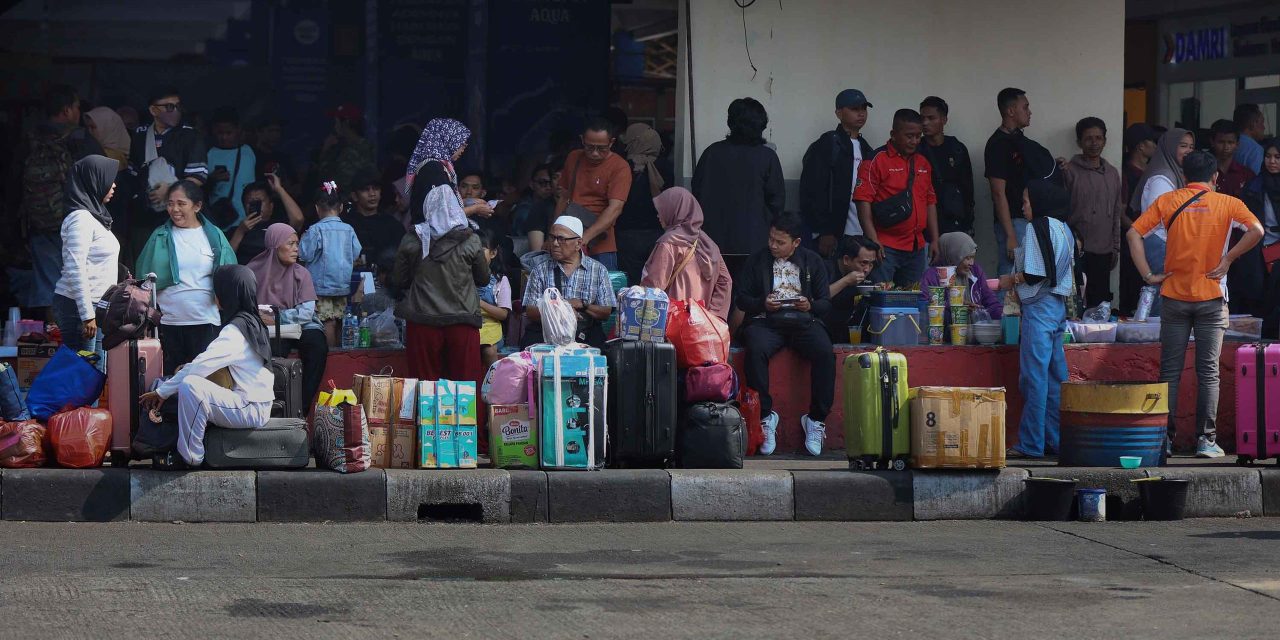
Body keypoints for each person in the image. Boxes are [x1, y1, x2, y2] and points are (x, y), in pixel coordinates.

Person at [1127, 151, 1264, 458]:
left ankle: (1164, 441)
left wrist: (1149, 275)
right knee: (1208, 372)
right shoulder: (1229, 203)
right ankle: (1206, 440)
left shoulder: (1169, 201)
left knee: (1170, 372)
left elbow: (1133, 232)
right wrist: (1228, 259)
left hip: (1174, 296)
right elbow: (1257, 231)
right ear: (1215, 176)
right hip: (1212, 298)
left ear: (1183, 176)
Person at [138, 265, 275, 468]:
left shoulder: (235, 331)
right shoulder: (252, 320)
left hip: (250, 407)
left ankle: (191, 457)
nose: (214, 295)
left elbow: (199, 367)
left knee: (191, 386)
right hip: (254, 404)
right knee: (187, 379)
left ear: (227, 294)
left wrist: (162, 392)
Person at [394, 118, 490, 382]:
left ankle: (426, 426)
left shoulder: (413, 242)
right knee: (464, 388)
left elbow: (398, 280)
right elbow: (483, 278)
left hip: (422, 318)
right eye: (461, 144)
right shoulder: (471, 241)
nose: (462, 149)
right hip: (461, 318)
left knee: (425, 387)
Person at [736, 212, 834, 457]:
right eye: (771, 239)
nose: (773, 245)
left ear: (796, 242)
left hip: (803, 322)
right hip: (767, 321)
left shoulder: (812, 261)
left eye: (780, 242)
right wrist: (762, 303)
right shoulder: (758, 260)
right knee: (755, 348)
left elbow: (825, 302)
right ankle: (766, 417)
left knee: (825, 353)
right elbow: (741, 299)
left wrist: (809, 304)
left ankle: (815, 419)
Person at [998, 182, 1076, 459]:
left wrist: (1010, 280)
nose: (1023, 207)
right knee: (1056, 379)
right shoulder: (1064, 228)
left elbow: (1034, 274)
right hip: (1058, 307)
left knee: (1033, 378)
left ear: (1040, 203)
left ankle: (1031, 443)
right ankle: (1056, 441)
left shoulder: (1036, 227)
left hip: (1039, 307)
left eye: (1027, 201)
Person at [13, 84, 103, 318]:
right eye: (76, 107)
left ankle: (51, 338)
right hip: (76, 221)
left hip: (40, 223)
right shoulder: (81, 139)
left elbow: (13, 181)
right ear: (66, 110)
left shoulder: (30, 139)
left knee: (48, 284)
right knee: (83, 281)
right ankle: (79, 343)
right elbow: (100, 180)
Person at [135, 180, 238, 374]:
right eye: (170, 203)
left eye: (181, 204)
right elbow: (143, 279)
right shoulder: (160, 235)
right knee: (169, 383)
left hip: (205, 321)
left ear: (197, 206)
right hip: (168, 323)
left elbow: (230, 273)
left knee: (203, 382)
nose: (174, 209)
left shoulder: (214, 235)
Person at [692, 97, 786, 266]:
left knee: (716, 291)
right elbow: (777, 202)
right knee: (749, 291)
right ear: (761, 125)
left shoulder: (711, 153)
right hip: (754, 241)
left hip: (712, 242)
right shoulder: (767, 157)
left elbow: (696, 194)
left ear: (730, 123)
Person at [854, 109, 939, 286]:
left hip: (917, 247)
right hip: (885, 247)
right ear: (893, 134)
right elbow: (863, 202)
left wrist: (935, 239)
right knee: (881, 302)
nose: (914, 141)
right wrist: (874, 241)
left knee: (914, 303)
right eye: (909, 136)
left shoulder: (923, 163)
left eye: (918, 136)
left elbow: (930, 202)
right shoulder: (875, 160)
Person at [249, 224, 328, 410]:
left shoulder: (302, 273)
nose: (296, 249)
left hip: (303, 325)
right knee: (274, 349)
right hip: (271, 330)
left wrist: (275, 316)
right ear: (275, 246)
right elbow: (250, 309)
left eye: (297, 244)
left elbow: (306, 313)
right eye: (290, 244)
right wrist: (271, 318)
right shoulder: (252, 272)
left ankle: (302, 406)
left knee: (317, 345)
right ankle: (274, 406)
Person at [52, 155, 121, 358]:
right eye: (109, 179)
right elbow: (75, 267)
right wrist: (87, 315)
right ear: (94, 180)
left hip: (96, 306)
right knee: (82, 374)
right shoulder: (80, 219)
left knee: (94, 375)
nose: (114, 185)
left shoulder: (95, 217)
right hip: (80, 306)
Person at [127, 87, 207, 260]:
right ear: (153, 110)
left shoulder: (190, 135)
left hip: (177, 217)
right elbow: (132, 175)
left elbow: (198, 177)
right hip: (144, 218)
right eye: (170, 107)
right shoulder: (140, 136)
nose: (176, 111)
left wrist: (169, 190)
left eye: (178, 106)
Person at [800, 89, 876, 258]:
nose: (861, 113)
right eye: (855, 109)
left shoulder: (866, 148)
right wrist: (824, 231)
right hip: (834, 234)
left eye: (864, 109)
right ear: (839, 113)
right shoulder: (828, 144)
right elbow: (813, 190)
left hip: (862, 234)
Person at [1129, 128, 1195, 317]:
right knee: (1163, 298)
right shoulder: (1162, 177)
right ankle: (1158, 342)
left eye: (1191, 146)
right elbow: (1162, 218)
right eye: (1183, 146)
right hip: (1161, 243)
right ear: (1170, 147)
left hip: (1168, 244)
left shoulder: (1176, 173)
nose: (1188, 150)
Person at [520, 217, 614, 349]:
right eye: (552, 238)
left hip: (584, 333)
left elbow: (606, 312)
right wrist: (564, 309)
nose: (555, 243)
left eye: (561, 239)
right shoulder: (540, 270)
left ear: (578, 243)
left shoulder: (598, 270)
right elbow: (530, 311)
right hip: (547, 333)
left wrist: (583, 305)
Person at [640, 187, 732, 319]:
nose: (658, 215)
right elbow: (725, 281)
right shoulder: (709, 244)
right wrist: (712, 315)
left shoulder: (669, 243)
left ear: (675, 211)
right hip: (700, 323)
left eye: (662, 210)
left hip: (673, 322)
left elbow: (654, 288)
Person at [1062, 117, 1124, 308]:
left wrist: (1115, 246)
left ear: (1105, 141)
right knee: (1074, 303)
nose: (1094, 143)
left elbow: (1115, 213)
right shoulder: (1069, 171)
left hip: (1104, 250)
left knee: (1100, 305)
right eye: (1088, 138)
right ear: (1079, 142)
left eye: (1099, 138)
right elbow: (1061, 211)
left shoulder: (1112, 173)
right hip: (1075, 250)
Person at [554, 118, 632, 271]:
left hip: (601, 244)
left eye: (601, 148)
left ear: (611, 143)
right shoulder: (574, 158)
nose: (595, 153)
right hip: (568, 239)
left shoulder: (620, 167)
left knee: (602, 292)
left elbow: (615, 208)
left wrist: (585, 238)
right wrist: (554, 232)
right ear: (582, 140)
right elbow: (563, 197)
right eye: (589, 147)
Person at [299, 182, 362, 346]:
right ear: (341, 207)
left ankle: (331, 356)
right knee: (340, 320)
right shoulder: (349, 229)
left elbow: (304, 254)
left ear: (317, 208)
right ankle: (342, 356)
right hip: (342, 286)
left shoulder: (315, 230)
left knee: (327, 322)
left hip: (320, 287)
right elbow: (356, 252)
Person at [616, 123, 671, 286]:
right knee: (654, 283)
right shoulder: (665, 167)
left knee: (630, 283)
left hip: (626, 234)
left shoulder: (622, 166)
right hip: (657, 233)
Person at [985, 87, 1033, 275]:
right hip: (1012, 221)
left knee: (1026, 277)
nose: (1030, 112)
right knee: (1010, 275)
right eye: (1025, 107)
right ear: (1010, 111)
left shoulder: (1020, 140)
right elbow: (998, 193)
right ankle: (1000, 306)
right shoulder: (998, 144)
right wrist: (1010, 235)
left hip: (1027, 219)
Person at [1118, 123, 1160, 315]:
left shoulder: (1153, 173)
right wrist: (1139, 232)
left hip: (1150, 242)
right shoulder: (1126, 174)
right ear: (1141, 146)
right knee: (1134, 291)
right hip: (1133, 243)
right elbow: (1121, 212)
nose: (1156, 146)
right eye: (1153, 142)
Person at [918, 96, 975, 236]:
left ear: (944, 120)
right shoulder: (916, 149)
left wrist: (968, 223)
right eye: (922, 118)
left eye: (931, 118)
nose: (925, 123)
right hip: (924, 224)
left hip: (953, 222)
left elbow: (967, 189)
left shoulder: (957, 149)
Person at [920, 232, 1002, 320]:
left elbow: (990, 300)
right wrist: (953, 306)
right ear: (953, 256)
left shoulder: (975, 271)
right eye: (967, 258)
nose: (971, 263)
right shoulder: (932, 276)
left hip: (972, 331)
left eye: (973, 257)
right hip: (943, 331)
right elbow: (923, 307)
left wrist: (1004, 314)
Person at [83, 106, 133, 249]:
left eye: (94, 128)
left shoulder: (112, 159)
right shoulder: (94, 153)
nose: (90, 133)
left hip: (114, 227)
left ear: (109, 128)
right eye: (88, 128)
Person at [229, 176, 305, 264]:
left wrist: (279, 189)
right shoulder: (236, 231)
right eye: (250, 202)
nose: (255, 205)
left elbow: (298, 219)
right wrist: (240, 231)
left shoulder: (279, 228)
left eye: (259, 201)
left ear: (271, 206)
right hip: (246, 275)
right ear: (244, 206)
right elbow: (226, 260)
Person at [342, 171, 406, 271]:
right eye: (365, 190)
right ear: (354, 196)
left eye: (376, 189)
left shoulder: (392, 224)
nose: (372, 194)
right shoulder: (345, 225)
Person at [206, 107, 257, 229]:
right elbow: (199, 190)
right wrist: (211, 180)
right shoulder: (210, 154)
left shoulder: (248, 152)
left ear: (238, 130)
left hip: (246, 220)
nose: (224, 137)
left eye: (228, 133)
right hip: (219, 219)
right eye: (220, 133)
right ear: (214, 131)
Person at [822, 235, 879, 344]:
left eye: (871, 264)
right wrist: (846, 281)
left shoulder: (867, 275)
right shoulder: (825, 269)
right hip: (825, 330)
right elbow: (818, 297)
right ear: (846, 259)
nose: (867, 269)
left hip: (853, 332)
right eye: (863, 263)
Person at [312, 104, 376, 197]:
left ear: (345, 123)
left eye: (336, 122)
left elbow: (330, 185)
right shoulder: (364, 146)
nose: (334, 126)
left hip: (348, 205)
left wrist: (325, 151)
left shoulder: (351, 152)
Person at [477, 230, 512, 368]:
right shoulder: (463, 277)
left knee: (489, 350)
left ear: (493, 253)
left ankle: (493, 384)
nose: (476, 254)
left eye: (482, 249)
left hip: (490, 327)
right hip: (468, 324)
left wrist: (479, 303)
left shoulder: (500, 281)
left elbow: (503, 314)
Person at [509, 163, 556, 255]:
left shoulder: (556, 206)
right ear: (531, 184)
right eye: (542, 183)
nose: (548, 187)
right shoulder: (524, 210)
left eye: (551, 183)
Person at [1209, 119, 1256, 198]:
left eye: (1230, 142)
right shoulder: (1204, 173)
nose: (1226, 147)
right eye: (1221, 142)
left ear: (1237, 144)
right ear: (1212, 142)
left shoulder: (1246, 175)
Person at [84, 106, 131, 172]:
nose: (89, 131)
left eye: (92, 127)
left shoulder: (111, 158)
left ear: (107, 128)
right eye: (88, 127)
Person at [1234, 103, 1267, 174]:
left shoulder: (1229, 144)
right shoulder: (1255, 150)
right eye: (1262, 122)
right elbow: (1257, 180)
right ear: (1253, 124)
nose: (1264, 127)